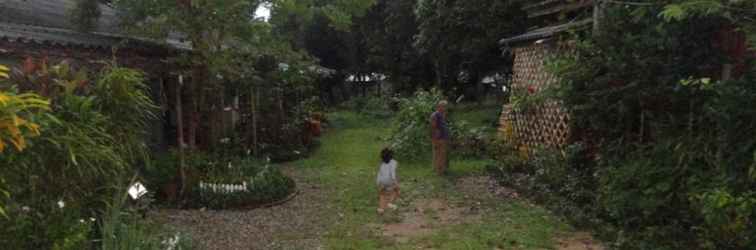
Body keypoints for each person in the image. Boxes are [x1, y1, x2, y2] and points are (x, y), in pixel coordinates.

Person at [376, 148, 399, 214]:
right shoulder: (394, 162)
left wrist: (378, 183)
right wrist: (396, 182)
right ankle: (390, 203)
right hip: (390, 180)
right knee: (396, 191)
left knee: (382, 194)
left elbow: (379, 173)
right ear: (392, 156)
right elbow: (393, 173)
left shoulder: (382, 164)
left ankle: (381, 209)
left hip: (382, 181)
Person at [430, 100, 449, 175]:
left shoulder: (442, 114)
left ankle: (441, 169)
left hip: (443, 137)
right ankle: (439, 171)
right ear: (439, 107)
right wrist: (435, 138)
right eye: (443, 106)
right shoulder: (435, 115)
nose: (445, 108)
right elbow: (433, 126)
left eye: (445, 106)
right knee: (439, 154)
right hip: (438, 138)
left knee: (442, 154)